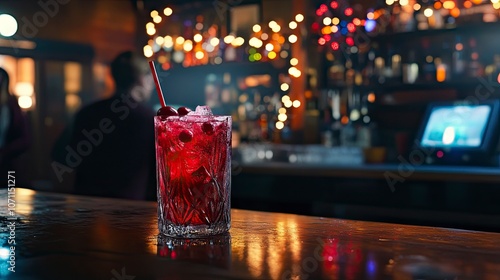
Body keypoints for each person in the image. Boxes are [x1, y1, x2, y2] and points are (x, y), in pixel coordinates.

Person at [53, 51, 156, 200]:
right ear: (141, 79)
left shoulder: (87, 112)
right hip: (132, 209)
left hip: (87, 206)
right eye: (150, 79)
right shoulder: (149, 119)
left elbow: (60, 155)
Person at [0, 67, 30, 187]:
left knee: (8, 199)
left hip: (6, 162)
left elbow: (25, 138)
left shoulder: (11, 105)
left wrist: (5, 152)